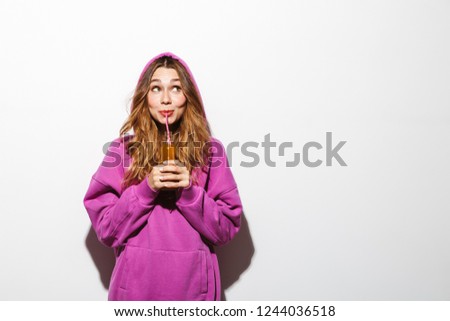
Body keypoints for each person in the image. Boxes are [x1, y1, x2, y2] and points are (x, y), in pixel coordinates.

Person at [83, 52, 243, 301]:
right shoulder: (122, 151)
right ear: (145, 97)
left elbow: (225, 230)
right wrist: (146, 189)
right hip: (136, 291)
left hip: (193, 291)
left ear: (187, 97)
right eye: (156, 89)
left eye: (176, 88)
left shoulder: (211, 151)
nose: (166, 99)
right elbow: (106, 230)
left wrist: (189, 192)